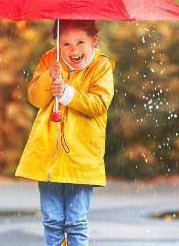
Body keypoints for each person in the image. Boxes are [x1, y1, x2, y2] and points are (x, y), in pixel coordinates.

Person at [15, 19, 115, 246]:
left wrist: (68, 93)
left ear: (94, 41)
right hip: (49, 155)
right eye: (65, 44)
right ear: (57, 45)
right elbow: (37, 99)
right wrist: (50, 80)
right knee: (52, 220)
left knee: (75, 221)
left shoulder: (101, 67)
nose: (73, 50)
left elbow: (99, 104)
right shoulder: (51, 60)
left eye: (80, 42)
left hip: (81, 158)